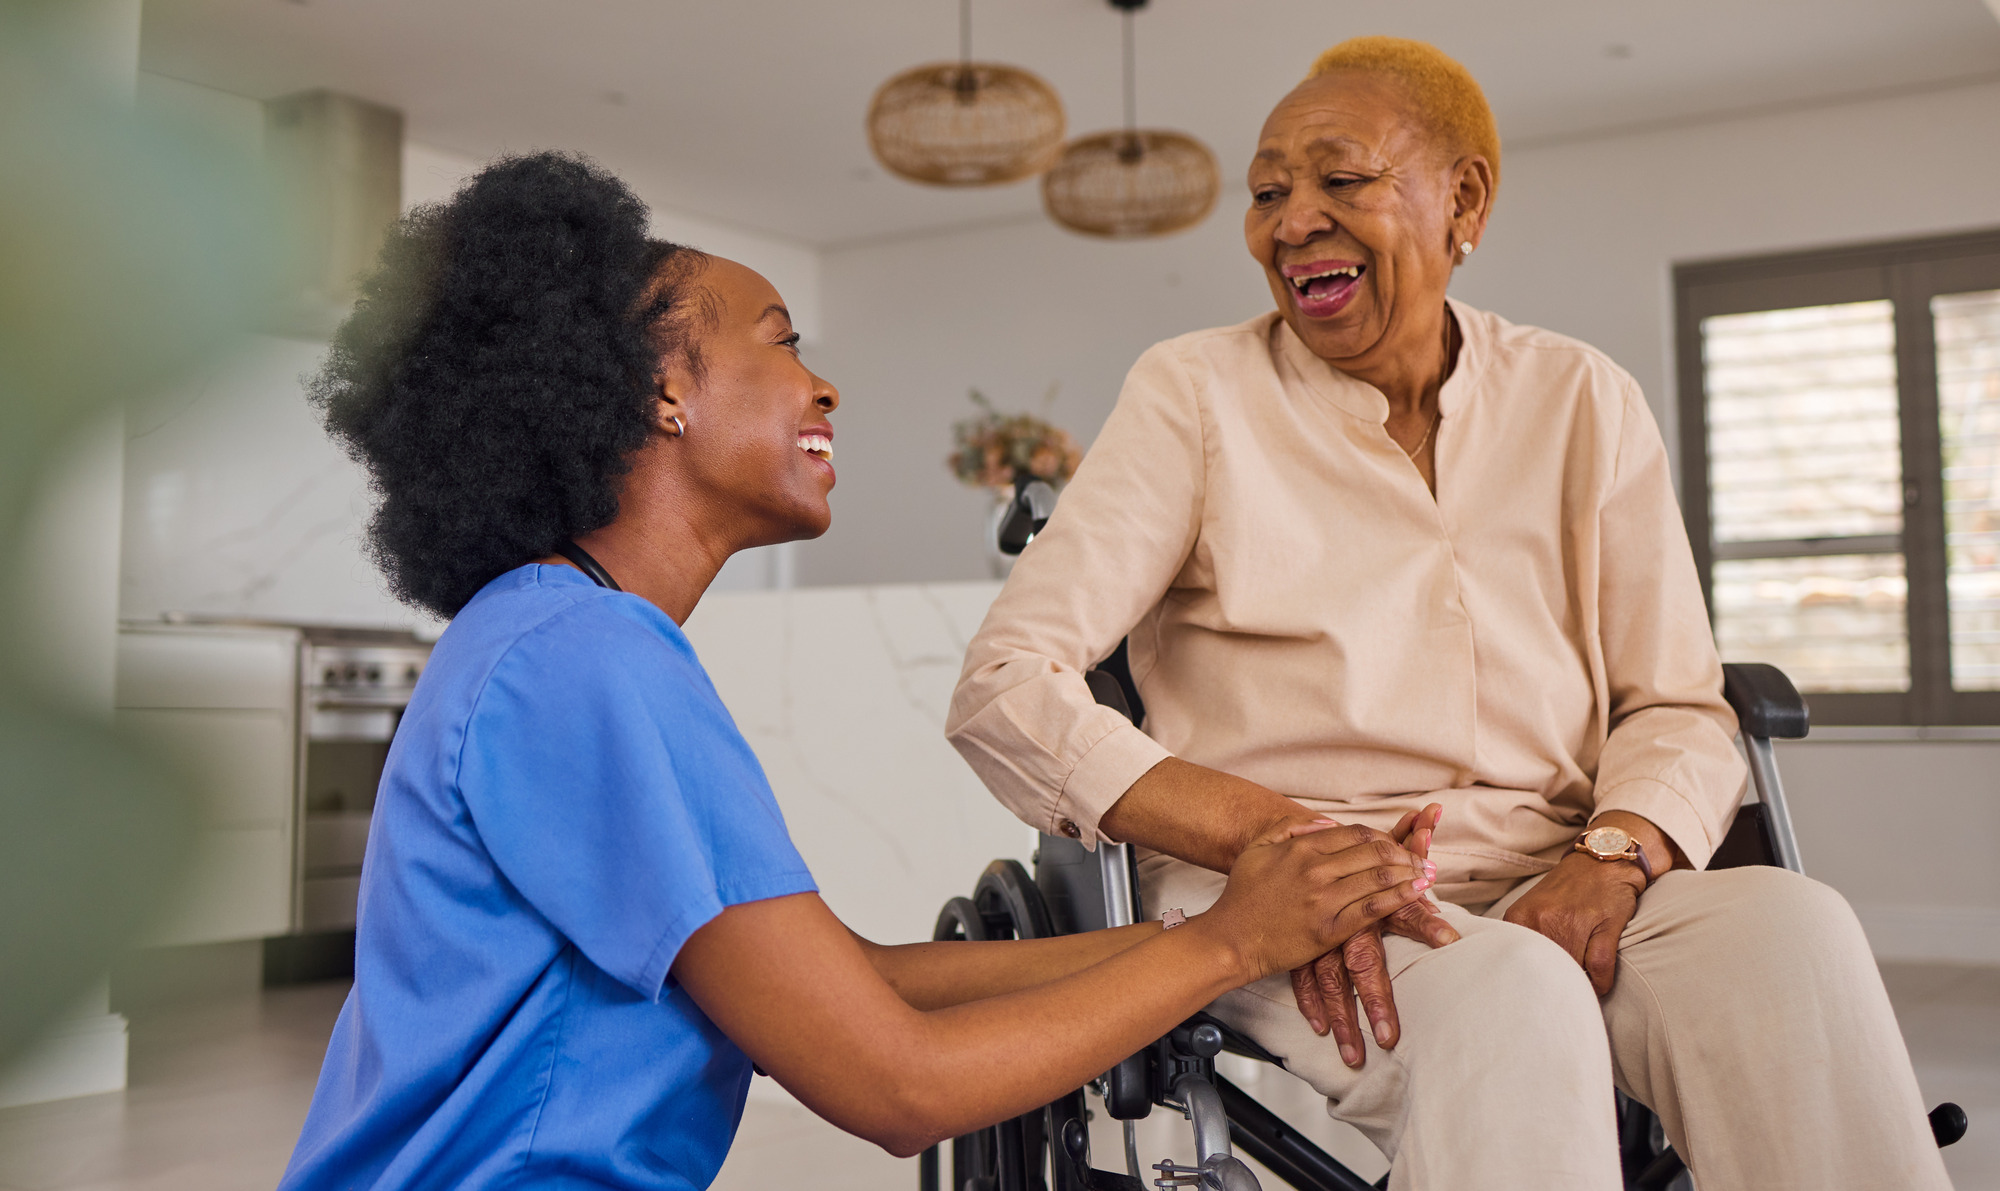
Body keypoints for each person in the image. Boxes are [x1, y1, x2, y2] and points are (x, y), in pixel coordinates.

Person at [274, 152, 1441, 1191]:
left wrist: (1243, 926)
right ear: (658, 392)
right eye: (780, 339)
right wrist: (1227, 945)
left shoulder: (559, 636)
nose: (821, 387)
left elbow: (858, 980)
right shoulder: (584, 662)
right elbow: (897, 1087)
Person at [946, 36, 1951, 1191]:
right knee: (1513, 995)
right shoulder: (1194, 394)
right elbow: (1005, 683)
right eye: (1267, 192)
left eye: (1340, 178)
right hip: (1289, 907)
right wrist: (1278, 844)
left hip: (1562, 872)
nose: (1290, 221)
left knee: (1791, 930)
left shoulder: (1581, 399)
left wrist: (1616, 855)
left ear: (1460, 200)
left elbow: (1673, 700)